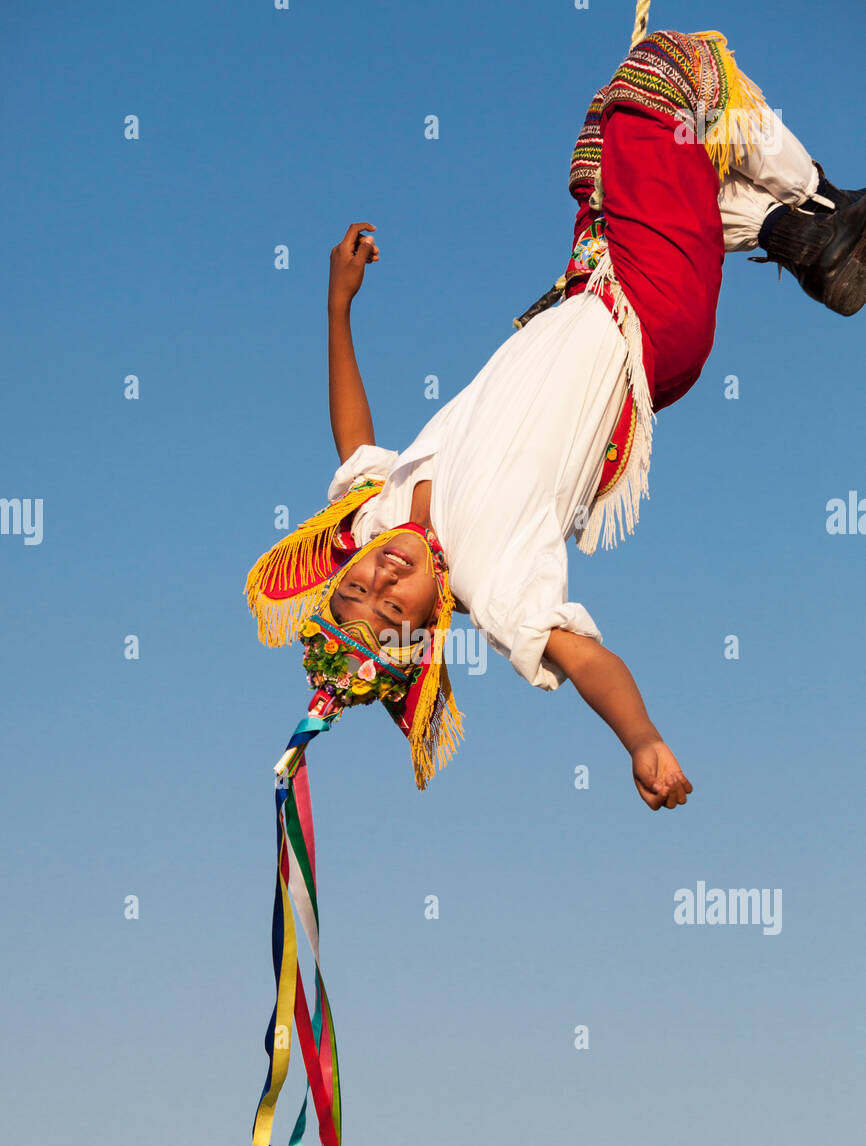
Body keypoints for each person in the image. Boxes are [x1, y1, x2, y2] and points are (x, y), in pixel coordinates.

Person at [246, 28, 865, 813]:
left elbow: (353, 438)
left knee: (601, 155)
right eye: (393, 610)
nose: (380, 581)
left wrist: (337, 308)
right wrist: (641, 740)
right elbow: (581, 660)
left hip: (595, 283)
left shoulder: (377, 516)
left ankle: (802, 237)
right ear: (432, 620)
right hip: (646, 322)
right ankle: (826, 207)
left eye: (354, 593)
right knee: (657, 84)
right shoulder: (493, 580)